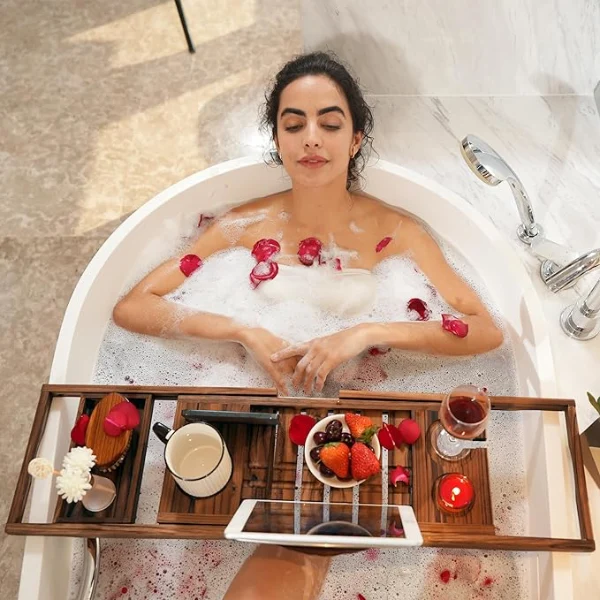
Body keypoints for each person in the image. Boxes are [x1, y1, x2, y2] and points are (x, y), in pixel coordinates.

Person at [113, 51, 504, 599]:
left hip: (365, 418)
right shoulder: (244, 225)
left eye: (329, 122)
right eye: (293, 124)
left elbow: (485, 329)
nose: (310, 138)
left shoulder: (397, 231)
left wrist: (369, 332)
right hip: (261, 418)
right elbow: (133, 307)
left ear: (357, 138)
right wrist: (243, 329)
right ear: (277, 139)